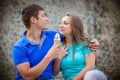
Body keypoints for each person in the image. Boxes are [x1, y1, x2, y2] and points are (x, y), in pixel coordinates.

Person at [12, 4, 99, 80]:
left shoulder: (53, 36)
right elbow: (27, 77)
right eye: (43, 16)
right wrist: (49, 57)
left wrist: (93, 42)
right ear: (34, 20)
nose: (47, 19)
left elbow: (74, 35)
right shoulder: (19, 48)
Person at [53, 13, 107, 80]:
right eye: (61, 23)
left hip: (93, 77)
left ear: (75, 26)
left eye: (65, 23)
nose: (61, 26)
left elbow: (90, 66)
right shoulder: (58, 45)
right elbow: (54, 73)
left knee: (90, 75)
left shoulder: (86, 42)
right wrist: (59, 57)